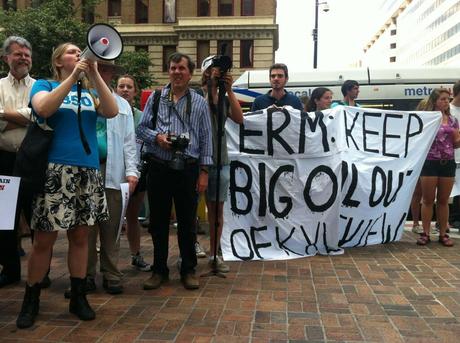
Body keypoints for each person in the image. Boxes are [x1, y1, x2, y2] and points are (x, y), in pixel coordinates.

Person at [16, 43, 118, 329]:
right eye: (72, 52)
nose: (79, 54)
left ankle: (78, 295)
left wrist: (95, 74)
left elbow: (110, 111)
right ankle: (31, 298)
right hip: (54, 168)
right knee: (44, 239)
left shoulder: (90, 93)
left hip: (86, 169)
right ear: (58, 60)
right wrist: (73, 78)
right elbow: (44, 109)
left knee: (81, 235)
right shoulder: (45, 85)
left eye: (79, 51)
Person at [137, 52, 213, 290]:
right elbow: (141, 129)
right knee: (158, 222)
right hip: (159, 166)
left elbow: (205, 138)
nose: (177, 72)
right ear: (168, 71)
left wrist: (204, 172)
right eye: (173, 68)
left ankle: (188, 269)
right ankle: (159, 270)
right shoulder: (157, 97)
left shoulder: (199, 102)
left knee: (188, 222)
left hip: (187, 169)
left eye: (182, 68)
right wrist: (157, 138)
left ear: (190, 73)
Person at [85, 62, 139, 295]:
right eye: (99, 68)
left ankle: (111, 274)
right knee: (85, 229)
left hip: (113, 172)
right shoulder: (82, 97)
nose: (103, 73)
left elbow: (129, 141)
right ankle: (84, 275)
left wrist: (132, 171)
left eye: (107, 70)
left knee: (112, 226)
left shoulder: (122, 104)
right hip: (85, 172)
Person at [200, 55, 244, 273]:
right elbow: (207, 109)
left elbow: (239, 118)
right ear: (206, 72)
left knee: (217, 209)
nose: (218, 73)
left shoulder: (226, 97)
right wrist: (211, 87)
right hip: (199, 161)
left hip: (221, 161)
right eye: (214, 70)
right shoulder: (198, 96)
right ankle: (190, 250)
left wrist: (230, 90)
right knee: (190, 209)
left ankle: (214, 253)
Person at [0, 36, 34, 288]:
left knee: (37, 218)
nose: (23, 58)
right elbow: (30, 117)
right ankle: (10, 270)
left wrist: (4, 117)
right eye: (18, 54)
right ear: (5, 58)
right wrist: (26, 118)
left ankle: (39, 273)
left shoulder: (41, 86)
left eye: (26, 54)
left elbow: (40, 116)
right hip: (4, 160)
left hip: (34, 160)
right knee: (5, 220)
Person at [116, 74, 152, 272]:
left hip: (136, 172)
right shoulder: (108, 109)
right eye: (121, 86)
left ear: (135, 92)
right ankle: (103, 253)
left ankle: (135, 254)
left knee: (132, 215)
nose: (125, 89)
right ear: (115, 89)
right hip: (112, 171)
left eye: (129, 86)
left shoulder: (141, 116)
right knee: (107, 217)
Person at [417, 88, 460, 247]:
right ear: (434, 100)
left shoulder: (453, 120)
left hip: (447, 163)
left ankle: (443, 234)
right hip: (429, 162)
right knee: (428, 200)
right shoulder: (426, 118)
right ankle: (425, 233)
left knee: (443, 200)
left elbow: (455, 143)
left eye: (447, 99)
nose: (446, 102)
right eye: (442, 99)